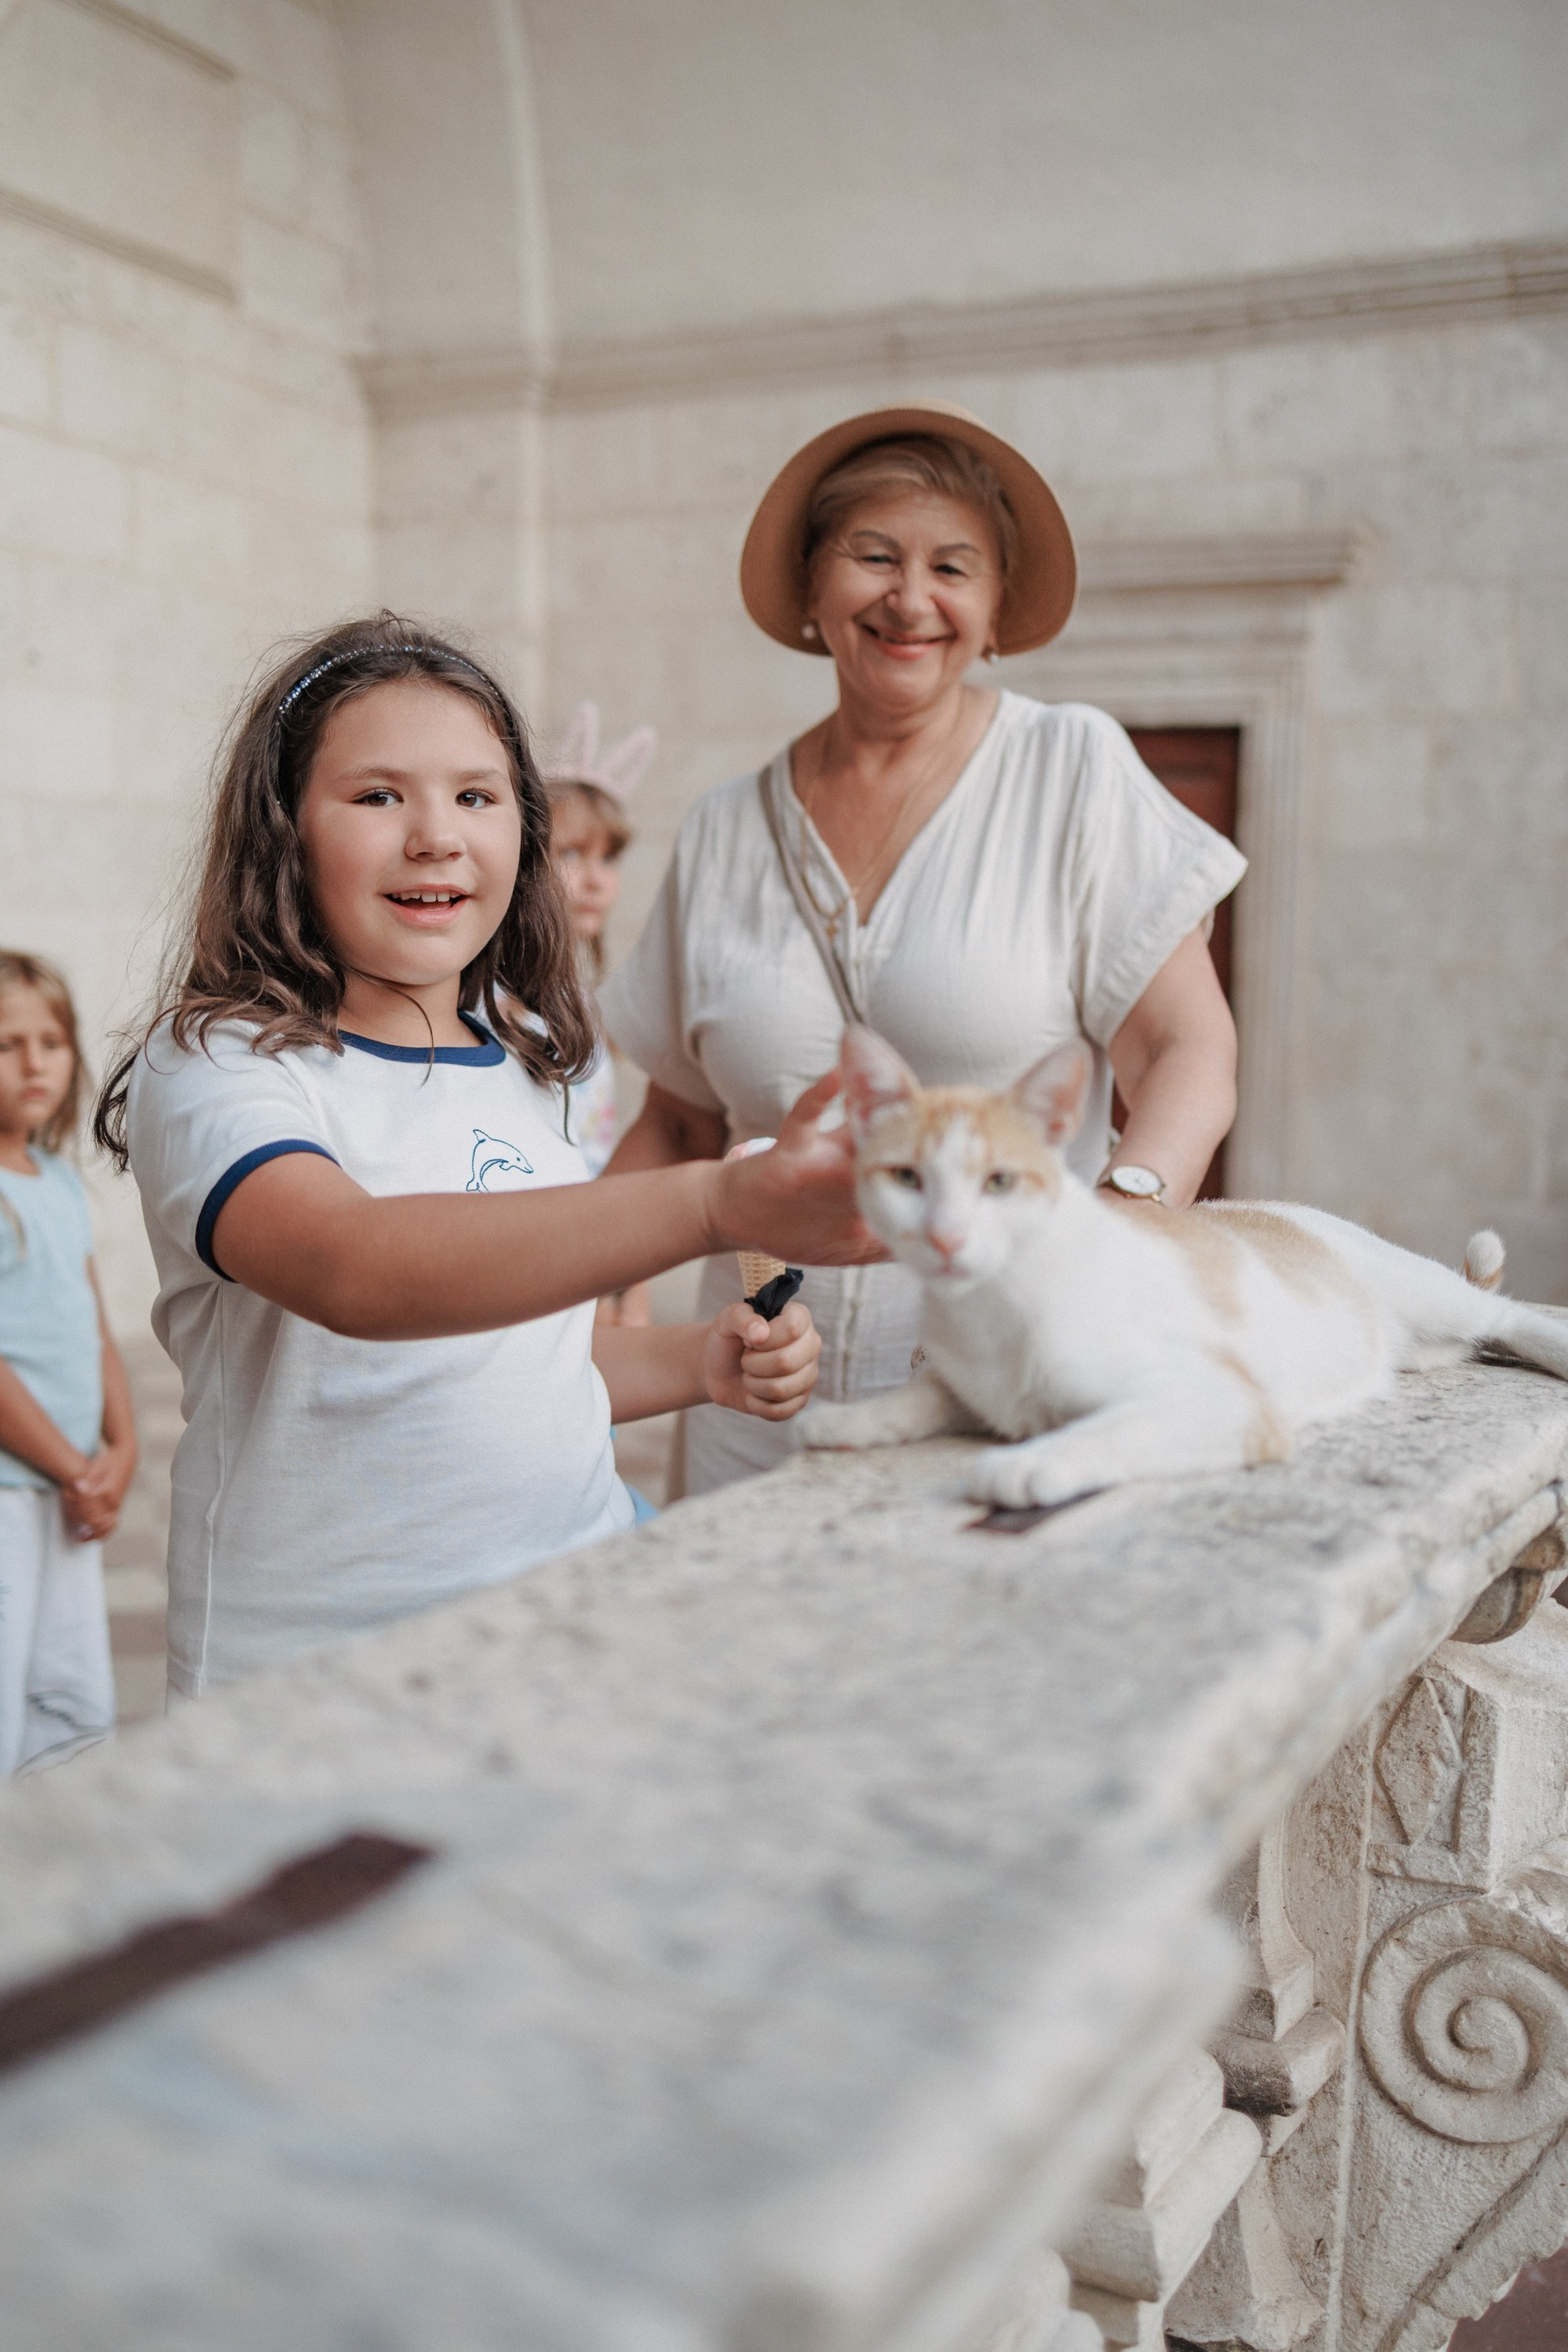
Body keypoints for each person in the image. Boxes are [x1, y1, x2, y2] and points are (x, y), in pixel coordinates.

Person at [95, 617, 868, 1698]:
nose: (435, 836)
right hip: (323, 1674)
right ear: (282, 831)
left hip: (563, 1622)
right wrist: (714, 1203)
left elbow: (527, 1365)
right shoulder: (223, 1061)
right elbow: (352, 1266)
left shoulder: (527, 1060)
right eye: (377, 796)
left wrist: (701, 1366)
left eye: (476, 795)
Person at [601, 401, 1246, 1496]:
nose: (911, 598)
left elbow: (1188, 1052)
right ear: (814, 592)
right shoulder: (722, 826)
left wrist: (1124, 1224)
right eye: (872, 557)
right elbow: (677, 1117)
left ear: (994, 612)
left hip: (1004, 1389)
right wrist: (592, 1285)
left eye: (954, 568)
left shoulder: (1072, 769)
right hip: (754, 1398)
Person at [0, 951, 136, 1773]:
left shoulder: (52, 1178)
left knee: (66, 1693)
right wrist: (71, 1468)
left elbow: (93, 1328)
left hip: (68, 1492)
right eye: (6, 1043)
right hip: (16, 1490)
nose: (34, 1062)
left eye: (50, 1041)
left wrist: (121, 1452)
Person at [544, 704, 656, 1328]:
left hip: (597, 1263)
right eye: (572, 854)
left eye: (609, 858)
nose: (596, 881)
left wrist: (625, 1279)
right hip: (539, 1264)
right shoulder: (489, 1008)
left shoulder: (590, 1006)